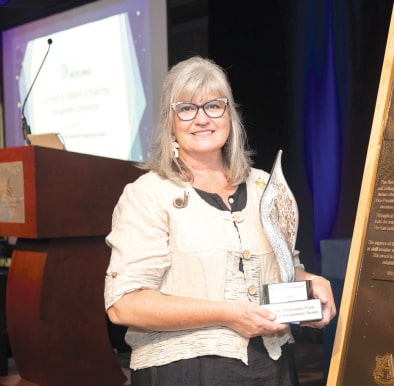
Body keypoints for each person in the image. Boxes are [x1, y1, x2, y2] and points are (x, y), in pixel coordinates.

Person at [104, 56, 336, 385]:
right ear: (170, 122)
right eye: (186, 108)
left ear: (230, 116)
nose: (202, 118)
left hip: (272, 369)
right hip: (185, 373)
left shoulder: (263, 186)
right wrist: (228, 314)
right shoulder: (147, 194)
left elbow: (283, 270)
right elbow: (124, 305)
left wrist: (311, 283)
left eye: (214, 105)